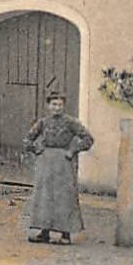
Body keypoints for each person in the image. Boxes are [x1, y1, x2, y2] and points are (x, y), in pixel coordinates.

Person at [21, 94, 93, 244]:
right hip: (46, 163)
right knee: (45, 196)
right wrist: (37, 149)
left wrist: (72, 151)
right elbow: (28, 138)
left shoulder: (71, 122)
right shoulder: (43, 122)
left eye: (60, 105)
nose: (57, 108)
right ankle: (44, 232)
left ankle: (65, 235)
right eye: (54, 104)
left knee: (64, 197)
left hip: (63, 163)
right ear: (48, 106)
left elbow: (88, 139)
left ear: (64, 106)